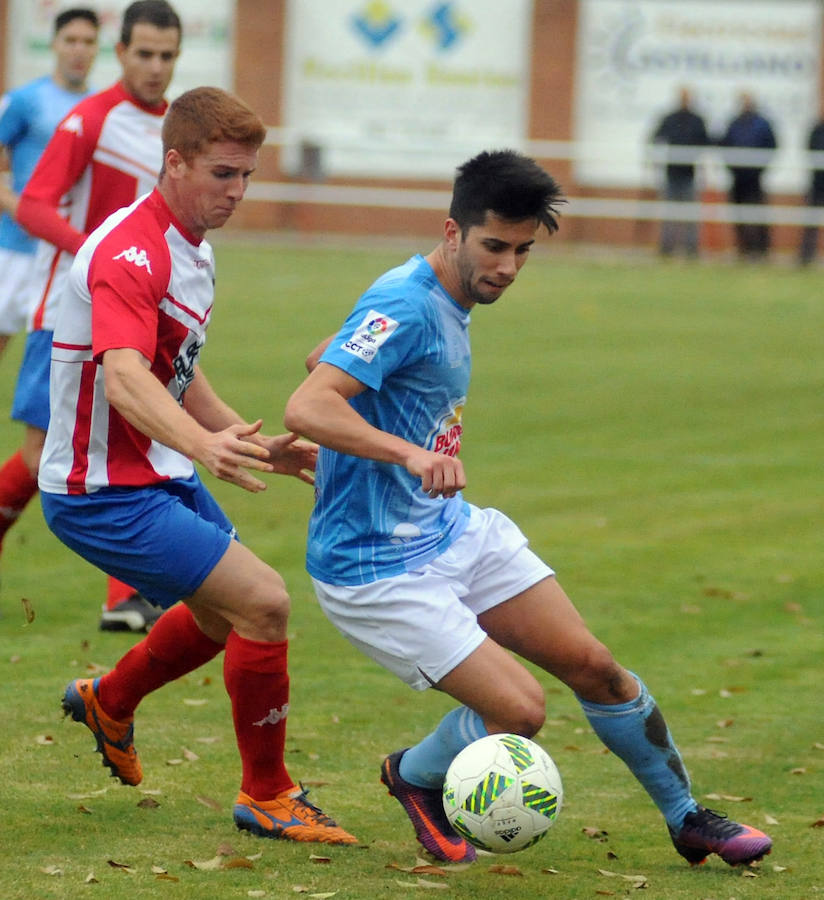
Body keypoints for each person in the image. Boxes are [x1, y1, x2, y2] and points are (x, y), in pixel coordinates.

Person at [283, 149, 773, 867]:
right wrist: (407, 454)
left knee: (597, 668)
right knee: (519, 712)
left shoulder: (439, 297)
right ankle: (413, 776)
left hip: (449, 530)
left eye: (523, 251)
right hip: (375, 567)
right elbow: (308, 402)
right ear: (451, 232)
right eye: (494, 247)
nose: (508, 267)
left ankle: (687, 817)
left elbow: (325, 359)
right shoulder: (407, 301)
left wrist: (353, 443)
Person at [41, 85, 357, 846]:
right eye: (223, 174)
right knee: (265, 604)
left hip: (156, 472)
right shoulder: (130, 252)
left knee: (223, 618)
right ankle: (269, 794)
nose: (238, 192)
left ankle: (109, 699)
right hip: (98, 492)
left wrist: (245, 442)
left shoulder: (192, 251)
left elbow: (175, 367)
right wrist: (199, 444)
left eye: (246, 175)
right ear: (174, 162)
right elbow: (123, 376)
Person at [3, 0, 184, 632]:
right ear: (122, 53)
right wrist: (103, 256)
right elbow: (33, 205)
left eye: (167, 56)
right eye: (145, 54)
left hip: (135, 314)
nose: (156, 67)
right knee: (36, 456)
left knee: (135, 438)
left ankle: (122, 597)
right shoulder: (92, 119)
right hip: (65, 312)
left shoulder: (174, 134)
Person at [0, 8, 99, 364]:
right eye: (71, 40)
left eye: (88, 42)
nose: (79, 50)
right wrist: (20, 208)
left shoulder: (101, 108)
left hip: (69, 255)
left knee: (61, 361)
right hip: (17, 248)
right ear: (54, 44)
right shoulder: (25, 100)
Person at [649, 87, 709, 258]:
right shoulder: (670, 118)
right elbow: (656, 137)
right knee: (669, 212)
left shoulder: (697, 120)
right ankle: (667, 248)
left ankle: (691, 249)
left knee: (691, 213)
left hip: (690, 173)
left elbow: (705, 143)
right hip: (671, 173)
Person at [718, 92, 777, 260]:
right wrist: (732, 167)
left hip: (755, 177)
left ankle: (761, 249)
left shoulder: (762, 123)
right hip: (738, 177)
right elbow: (725, 145)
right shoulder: (734, 122)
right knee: (739, 214)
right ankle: (743, 249)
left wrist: (760, 167)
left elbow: (771, 145)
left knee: (757, 213)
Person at [798, 113, 824, 265]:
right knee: (811, 220)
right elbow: (809, 150)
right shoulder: (816, 129)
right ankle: (806, 255)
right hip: (818, 181)